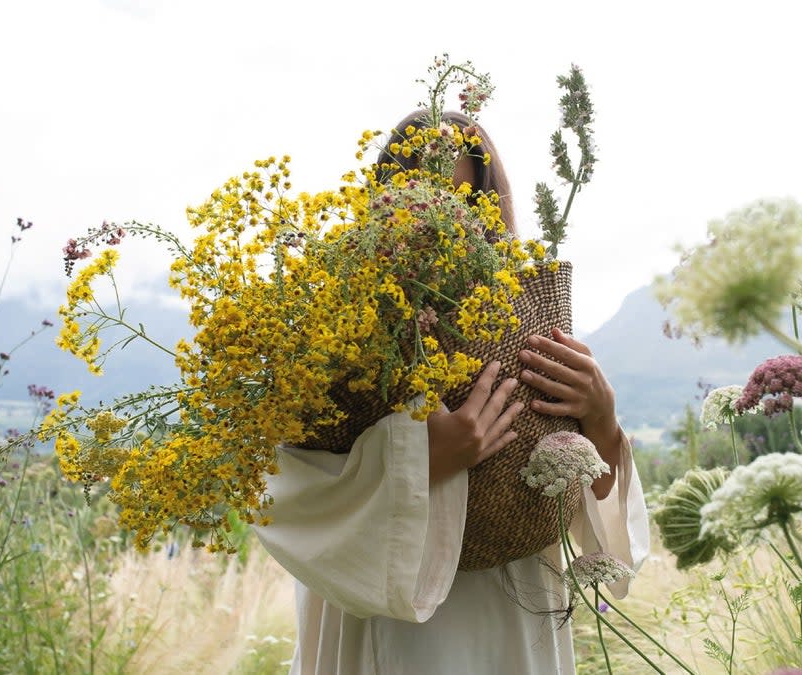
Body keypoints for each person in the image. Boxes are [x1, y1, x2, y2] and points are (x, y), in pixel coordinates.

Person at [254, 111, 649, 674]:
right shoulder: (335, 325)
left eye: (463, 202)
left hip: (513, 605)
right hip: (385, 616)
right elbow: (280, 495)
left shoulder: (526, 318)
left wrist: (602, 421)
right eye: (422, 196)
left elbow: (592, 508)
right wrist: (423, 458)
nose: (445, 222)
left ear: (490, 209)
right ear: (384, 202)